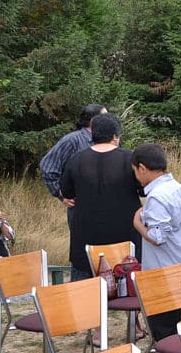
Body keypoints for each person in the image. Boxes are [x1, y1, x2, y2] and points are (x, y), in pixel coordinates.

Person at [131, 143, 181, 353]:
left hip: (163, 274)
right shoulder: (179, 188)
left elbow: (158, 236)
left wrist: (138, 224)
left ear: (143, 168)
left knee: (164, 329)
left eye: (135, 170)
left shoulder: (157, 196)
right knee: (174, 326)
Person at [59, 114, 142, 282]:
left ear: (92, 135)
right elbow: (143, 189)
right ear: (115, 136)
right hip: (125, 236)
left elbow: (67, 192)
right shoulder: (130, 158)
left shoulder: (76, 159)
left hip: (86, 236)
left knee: (82, 292)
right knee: (132, 291)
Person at [39, 104, 107, 226]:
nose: (109, 120)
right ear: (92, 121)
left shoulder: (108, 139)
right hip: (81, 207)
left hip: (106, 205)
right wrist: (60, 194)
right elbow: (48, 166)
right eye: (105, 116)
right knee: (82, 244)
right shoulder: (72, 140)